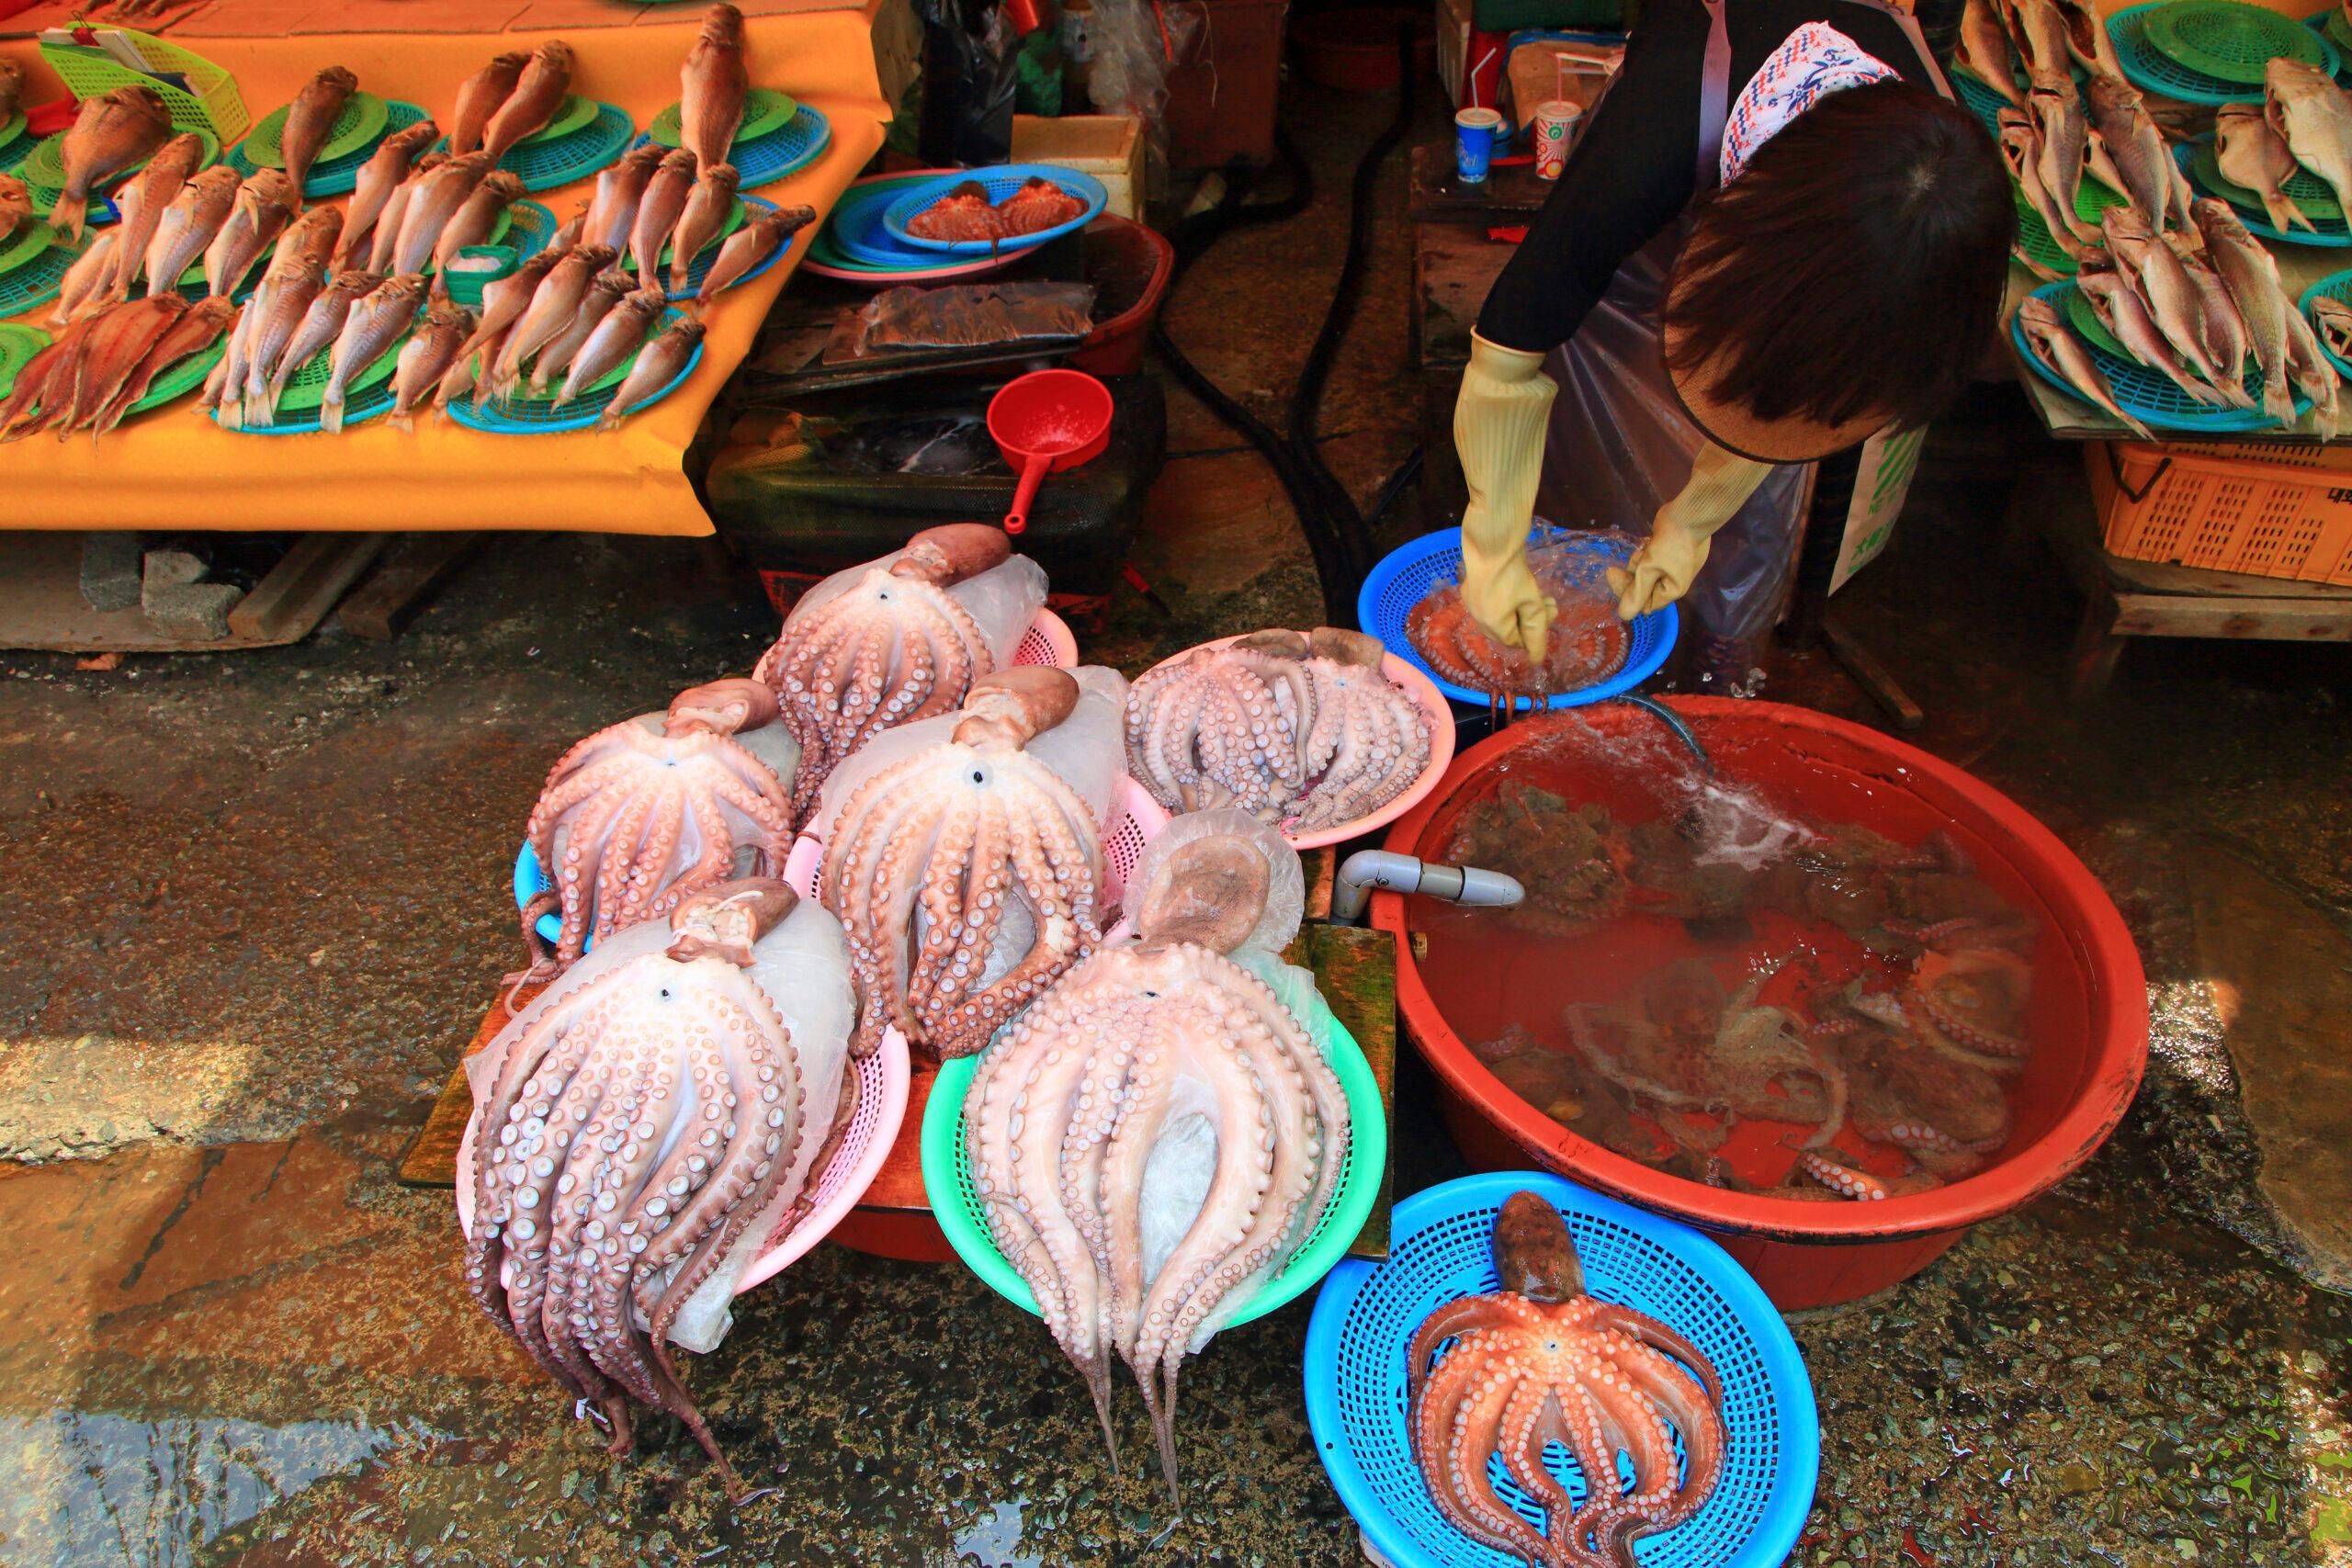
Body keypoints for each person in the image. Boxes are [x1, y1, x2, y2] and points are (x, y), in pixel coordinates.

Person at [1453, 0, 2013, 687]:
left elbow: (1787, 400)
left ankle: (1719, 657)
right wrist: (1495, 545)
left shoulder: (1948, 200)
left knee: (1762, 505)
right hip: (1687, 132)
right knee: (1592, 421)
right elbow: (1513, 345)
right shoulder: (1651, 139)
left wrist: (1694, 519)